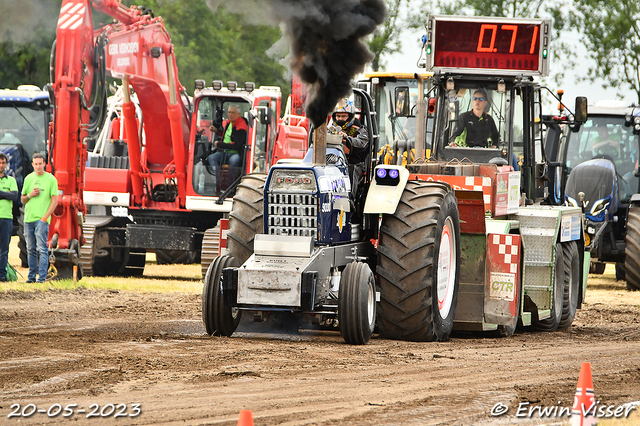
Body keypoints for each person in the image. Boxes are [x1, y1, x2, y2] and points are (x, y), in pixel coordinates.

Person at [21, 153, 58, 283]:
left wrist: (45, 217)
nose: (38, 166)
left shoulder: (51, 179)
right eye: (35, 164)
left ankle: (41, 278)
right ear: (32, 164)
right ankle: (31, 277)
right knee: (30, 249)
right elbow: (23, 199)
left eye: (40, 164)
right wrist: (30, 195)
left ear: (44, 164)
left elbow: (54, 201)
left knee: (41, 249)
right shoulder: (28, 179)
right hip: (28, 219)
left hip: (41, 219)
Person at [329, 98, 369, 197]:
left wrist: (347, 139)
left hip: (353, 164)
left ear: (350, 116)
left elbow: (362, 143)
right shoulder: (329, 129)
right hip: (331, 163)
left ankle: (349, 200)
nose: (340, 119)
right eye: (338, 116)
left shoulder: (360, 130)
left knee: (351, 169)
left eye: (343, 116)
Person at [207, 104, 247, 189]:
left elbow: (236, 145)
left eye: (233, 112)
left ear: (238, 114)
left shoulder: (241, 126)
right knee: (211, 158)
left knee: (233, 161)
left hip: (236, 153)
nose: (230, 114)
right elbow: (227, 136)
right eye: (229, 112)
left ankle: (229, 185)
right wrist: (217, 131)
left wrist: (219, 144)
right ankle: (216, 182)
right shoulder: (229, 123)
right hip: (224, 152)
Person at [0, 153, 18, 281]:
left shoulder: (11, 180)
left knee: (4, 248)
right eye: (0, 163)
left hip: (6, 218)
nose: (1, 165)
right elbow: (10, 195)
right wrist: (6, 193)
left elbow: (15, 196)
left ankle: (2, 274)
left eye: (3, 163)